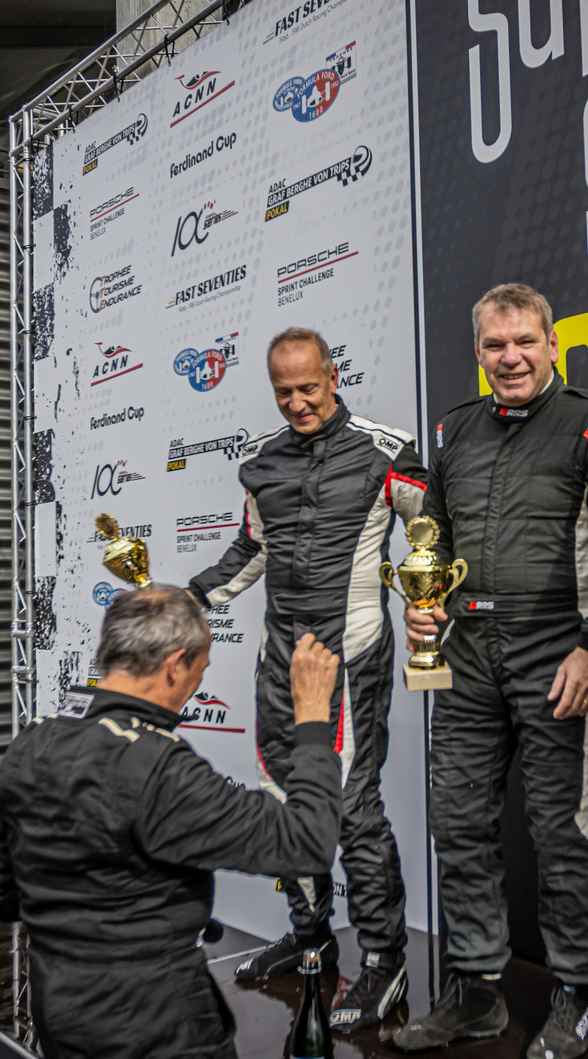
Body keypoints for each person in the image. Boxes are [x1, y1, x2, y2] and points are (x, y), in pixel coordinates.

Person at [392, 284, 588, 1059]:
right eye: (496, 345)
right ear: (478, 352)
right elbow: (432, 537)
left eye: (525, 341)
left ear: (553, 345)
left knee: (561, 830)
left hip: (557, 646)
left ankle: (578, 995)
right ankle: (477, 992)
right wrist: (423, 604)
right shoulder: (455, 429)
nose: (511, 357)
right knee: (458, 822)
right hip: (465, 650)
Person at [0, 585, 342, 1059]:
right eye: (200, 670)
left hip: (59, 1018)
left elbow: (1, 896)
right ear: (175, 666)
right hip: (158, 1029)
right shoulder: (158, 768)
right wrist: (312, 718)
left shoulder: (32, 744)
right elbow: (307, 843)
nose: (196, 684)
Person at [186, 327, 425, 1030]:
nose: (297, 402)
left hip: (351, 654)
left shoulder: (387, 451)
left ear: (333, 376)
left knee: (352, 807)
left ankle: (383, 960)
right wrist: (187, 599)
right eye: (284, 392)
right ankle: (311, 936)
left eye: (308, 388)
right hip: (279, 661)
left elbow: (434, 535)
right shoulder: (262, 464)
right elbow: (250, 549)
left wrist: (432, 601)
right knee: (281, 799)